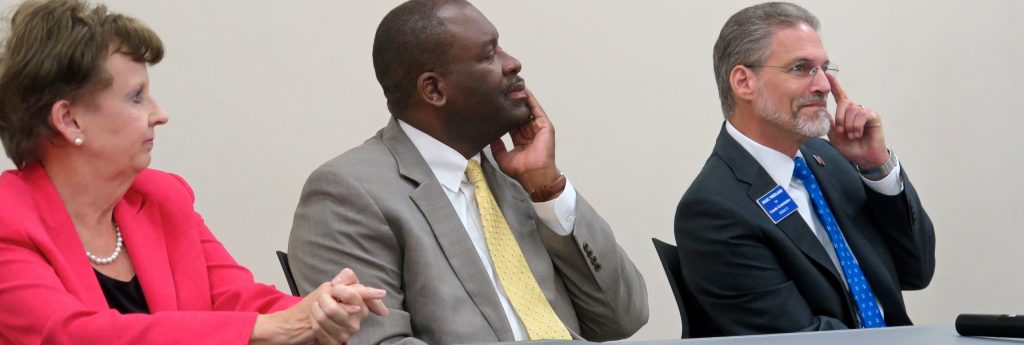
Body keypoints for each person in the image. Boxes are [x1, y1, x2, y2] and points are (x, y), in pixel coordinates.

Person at [0, 1, 387, 343]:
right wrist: (273, 328)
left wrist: (319, 310)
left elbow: (238, 298)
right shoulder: (8, 221)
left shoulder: (161, 197)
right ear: (69, 120)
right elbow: (73, 334)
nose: (160, 114)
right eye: (137, 97)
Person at [287, 0, 648, 343]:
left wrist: (547, 190)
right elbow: (378, 342)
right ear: (434, 89)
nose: (513, 63)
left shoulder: (514, 176)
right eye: (490, 55)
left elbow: (623, 318)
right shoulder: (348, 192)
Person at [673, 1, 935, 336]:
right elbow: (799, 337)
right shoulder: (713, 210)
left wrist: (876, 167)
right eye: (801, 68)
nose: (824, 85)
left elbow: (916, 270)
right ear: (743, 82)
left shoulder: (830, 161)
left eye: (824, 68)